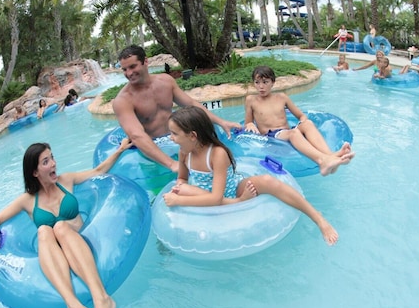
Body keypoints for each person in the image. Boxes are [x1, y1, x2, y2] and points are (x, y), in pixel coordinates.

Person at [0, 138, 132, 308]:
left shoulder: (66, 180)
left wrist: (120, 150)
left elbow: (99, 170)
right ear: (34, 172)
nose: (53, 163)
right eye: (46, 162)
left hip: (80, 242)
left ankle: (102, 299)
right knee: (44, 230)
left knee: (60, 227)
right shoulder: (27, 200)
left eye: (52, 158)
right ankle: (74, 306)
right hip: (56, 255)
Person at [163, 106, 341, 245]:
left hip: (230, 190)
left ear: (193, 136)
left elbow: (216, 197)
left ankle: (318, 219)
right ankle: (238, 202)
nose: (171, 138)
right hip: (203, 194)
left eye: (174, 134)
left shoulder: (217, 154)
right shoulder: (184, 152)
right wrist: (180, 185)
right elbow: (183, 178)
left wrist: (178, 200)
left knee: (268, 181)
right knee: (184, 188)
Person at [112, 45, 241, 173]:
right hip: (153, 149)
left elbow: (191, 104)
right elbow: (137, 135)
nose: (129, 73)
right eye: (124, 69)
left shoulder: (166, 82)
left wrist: (222, 122)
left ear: (145, 61)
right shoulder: (123, 101)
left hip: (175, 140)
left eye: (133, 66)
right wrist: (171, 164)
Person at [244, 66, 355, 176]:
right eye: (257, 82)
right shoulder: (251, 100)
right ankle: (322, 161)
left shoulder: (282, 97)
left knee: (308, 124)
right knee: (294, 133)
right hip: (271, 136)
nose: (261, 86)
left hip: (287, 131)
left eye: (265, 82)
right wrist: (250, 124)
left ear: (273, 82)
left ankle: (331, 156)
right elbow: (248, 122)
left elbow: (301, 116)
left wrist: (302, 122)